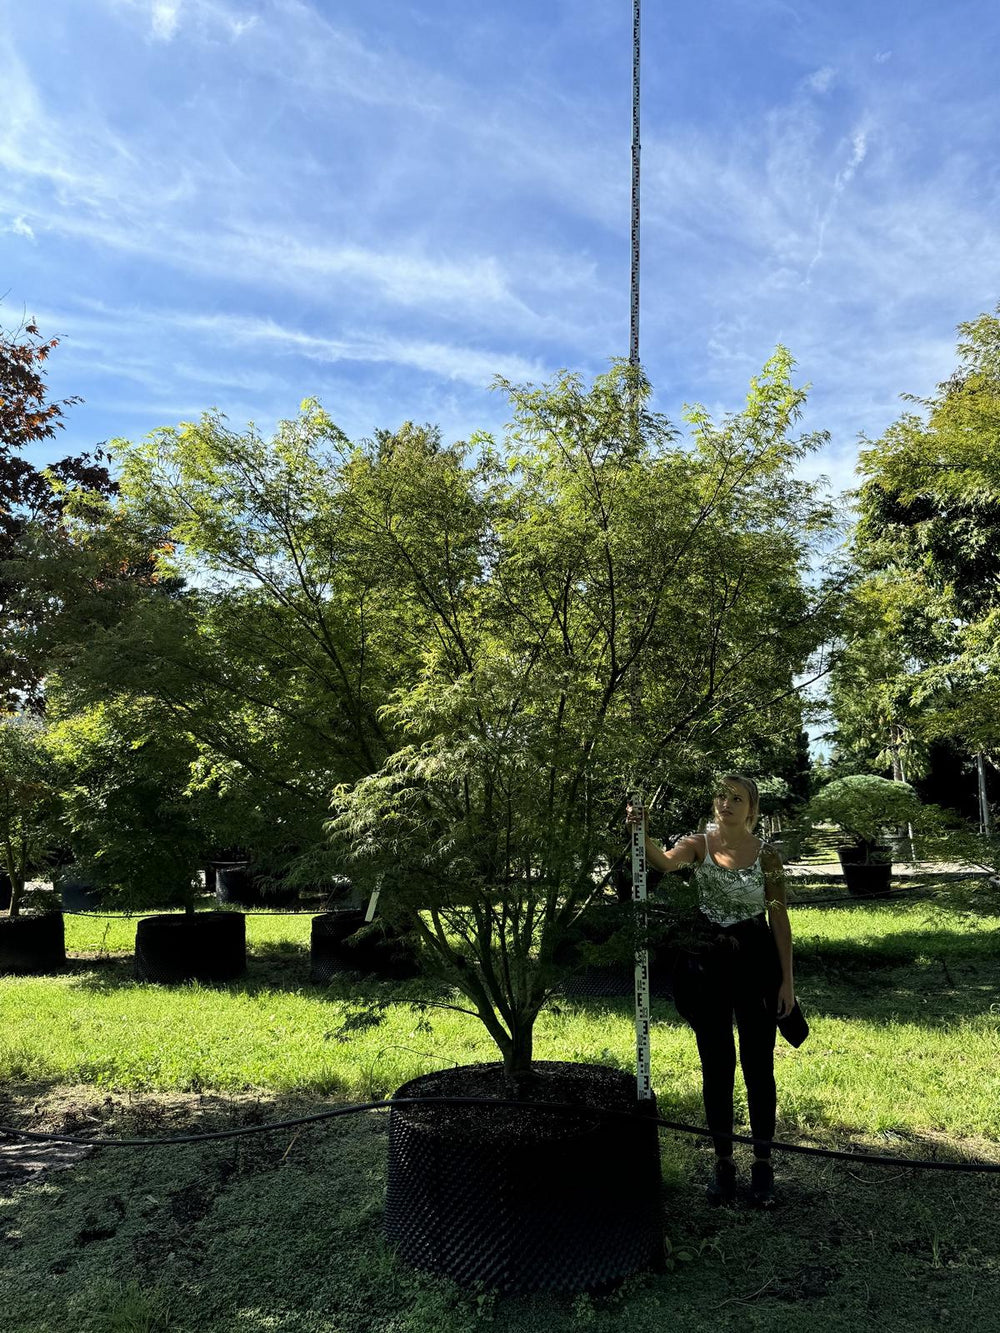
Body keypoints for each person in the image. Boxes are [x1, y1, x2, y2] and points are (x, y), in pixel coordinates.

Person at [627, 774, 794, 1208]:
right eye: (722, 795)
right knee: (716, 1063)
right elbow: (664, 863)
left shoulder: (767, 856)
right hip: (707, 962)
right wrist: (641, 831)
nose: (727, 803)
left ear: (752, 809)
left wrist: (788, 982)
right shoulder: (699, 843)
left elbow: (779, 921)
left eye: (738, 798)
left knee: (759, 1066)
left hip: (757, 963)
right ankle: (723, 1162)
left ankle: (762, 1164)